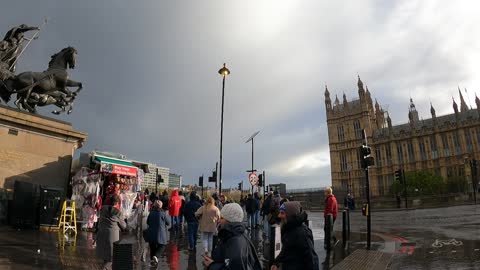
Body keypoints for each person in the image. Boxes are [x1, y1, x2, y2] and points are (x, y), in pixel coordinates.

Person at [203, 203, 262, 270]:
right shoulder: (233, 235)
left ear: (229, 221)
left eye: (222, 218)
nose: (219, 220)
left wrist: (212, 265)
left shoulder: (235, 242)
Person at [271, 201, 319, 270]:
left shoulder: (302, 233)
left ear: (290, 215)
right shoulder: (289, 229)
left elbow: (312, 260)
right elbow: (287, 250)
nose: (279, 215)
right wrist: (276, 262)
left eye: (282, 213)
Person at [96, 195, 126, 270]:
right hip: (112, 236)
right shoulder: (118, 213)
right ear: (117, 203)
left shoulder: (103, 208)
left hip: (102, 233)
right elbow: (124, 226)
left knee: (105, 255)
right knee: (112, 257)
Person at [145, 200, 170, 267]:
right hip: (160, 235)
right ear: (161, 206)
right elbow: (168, 222)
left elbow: (147, 222)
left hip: (151, 234)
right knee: (162, 246)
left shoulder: (151, 213)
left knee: (152, 248)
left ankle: (152, 263)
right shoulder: (163, 213)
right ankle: (156, 256)